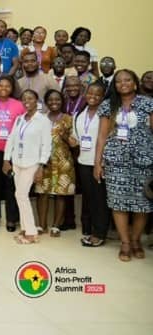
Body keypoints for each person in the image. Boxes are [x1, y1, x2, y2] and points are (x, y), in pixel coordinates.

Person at [93, 69, 153, 262]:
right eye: (119, 81)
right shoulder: (108, 105)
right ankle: (125, 243)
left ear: (135, 83)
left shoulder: (148, 103)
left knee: (142, 205)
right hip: (115, 161)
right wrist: (97, 163)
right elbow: (102, 136)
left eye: (127, 80)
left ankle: (136, 240)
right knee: (118, 203)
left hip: (144, 162)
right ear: (115, 85)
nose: (123, 83)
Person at [3, 90, 53, 244]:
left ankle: (31, 232)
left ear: (37, 101)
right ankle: (25, 229)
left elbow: (46, 145)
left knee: (21, 195)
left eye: (30, 98)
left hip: (32, 163)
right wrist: (6, 159)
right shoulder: (19, 119)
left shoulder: (43, 120)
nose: (27, 101)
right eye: (24, 99)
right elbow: (11, 139)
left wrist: (41, 166)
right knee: (19, 195)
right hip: (17, 162)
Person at [34, 90, 75, 237]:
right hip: (43, 162)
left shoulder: (69, 119)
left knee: (60, 194)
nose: (54, 102)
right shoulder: (40, 118)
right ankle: (41, 225)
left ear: (62, 101)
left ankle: (56, 226)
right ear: (46, 102)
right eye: (50, 100)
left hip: (63, 162)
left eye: (57, 99)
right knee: (41, 193)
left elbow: (75, 143)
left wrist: (65, 136)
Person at [0, 76, 24, 231]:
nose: (4, 88)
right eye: (0, 85)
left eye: (7, 86)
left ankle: (12, 219)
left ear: (12, 88)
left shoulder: (19, 105)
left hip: (13, 151)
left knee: (11, 184)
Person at [73, 83, 107, 247]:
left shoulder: (106, 114)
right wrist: (72, 140)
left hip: (100, 162)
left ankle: (99, 233)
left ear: (103, 97)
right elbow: (77, 137)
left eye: (97, 94)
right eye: (90, 93)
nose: (93, 96)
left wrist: (100, 163)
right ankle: (89, 228)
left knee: (99, 198)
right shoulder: (79, 114)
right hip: (83, 161)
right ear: (85, 94)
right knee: (88, 197)